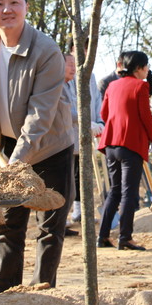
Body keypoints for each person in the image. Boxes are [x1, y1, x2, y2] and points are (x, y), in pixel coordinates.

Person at [0, 0, 74, 293]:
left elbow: (40, 114)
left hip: (49, 145)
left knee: (50, 221)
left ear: (26, 7)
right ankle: (5, 286)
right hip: (11, 145)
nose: (7, 9)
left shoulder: (46, 50)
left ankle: (42, 288)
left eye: (14, 1)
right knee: (9, 219)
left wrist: (14, 166)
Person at [96, 50, 152, 251]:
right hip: (131, 144)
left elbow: (103, 113)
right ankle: (125, 237)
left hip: (111, 144)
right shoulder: (140, 86)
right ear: (139, 68)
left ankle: (103, 236)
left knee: (114, 191)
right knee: (129, 193)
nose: (147, 70)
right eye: (146, 66)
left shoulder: (112, 85)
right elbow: (146, 116)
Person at [62, 47, 104, 225]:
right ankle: (63, 215)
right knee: (67, 175)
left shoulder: (91, 76)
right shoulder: (64, 79)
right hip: (69, 134)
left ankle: (79, 212)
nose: (85, 55)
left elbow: (96, 101)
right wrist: (86, 121)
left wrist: (99, 122)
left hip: (88, 133)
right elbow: (70, 107)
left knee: (81, 174)